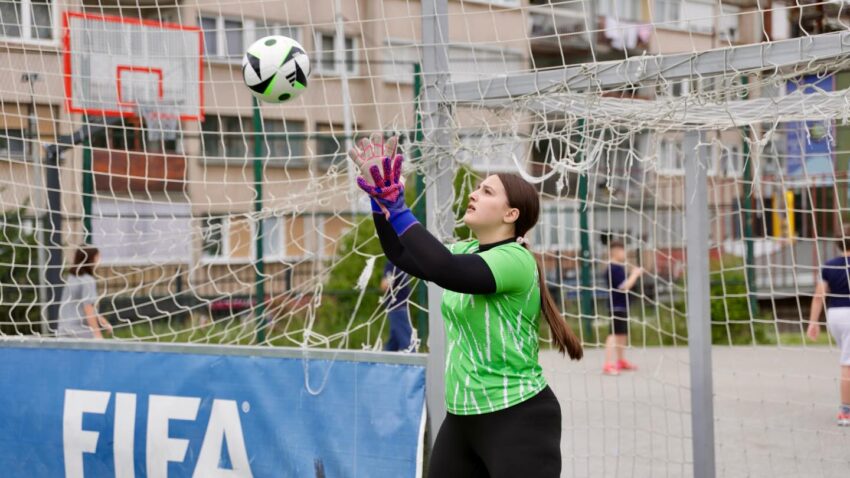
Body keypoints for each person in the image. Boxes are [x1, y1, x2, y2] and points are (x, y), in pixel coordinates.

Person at [350, 135, 582, 478]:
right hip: (462, 419)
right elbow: (400, 253)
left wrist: (398, 208)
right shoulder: (466, 250)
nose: (473, 194)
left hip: (518, 417)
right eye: (477, 188)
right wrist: (380, 201)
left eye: (487, 192)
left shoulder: (516, 260)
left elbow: (445, 269)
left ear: (511, 214)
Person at [807, 231, 850, 426]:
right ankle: (845, 412)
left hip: (835, 316)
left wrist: (813, 322)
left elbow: (819, 296)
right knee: (847, 364)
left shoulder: (829, 265)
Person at [602, 240, 643, 376]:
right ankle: (608, 364)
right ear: (616, 252)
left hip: (623, 306)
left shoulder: (619, 267)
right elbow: (624, 286)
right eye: (623, 251)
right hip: (616, 307)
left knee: (622, 334)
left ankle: (621, 360)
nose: (625, 253)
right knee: (614, 334)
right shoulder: (612, 268)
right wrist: (635, 274)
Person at [56, 247, 112, 339]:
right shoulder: (88, 280)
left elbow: (79, 306)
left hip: (63, 330)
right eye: (97, 257)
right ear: (90, 259)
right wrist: (97, 335)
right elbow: (88, 309)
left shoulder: (71, 278)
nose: (99, 260)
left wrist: (103, 321)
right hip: (79, 331)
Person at [381, 259, 414, 352]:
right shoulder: (392, 264)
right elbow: (384, 285)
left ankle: (385, 356)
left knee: (394, 341)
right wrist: (389, 281)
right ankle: (412, 357)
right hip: (397, 307)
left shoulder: (403, 263)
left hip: (402, 306)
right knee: (407, 341)